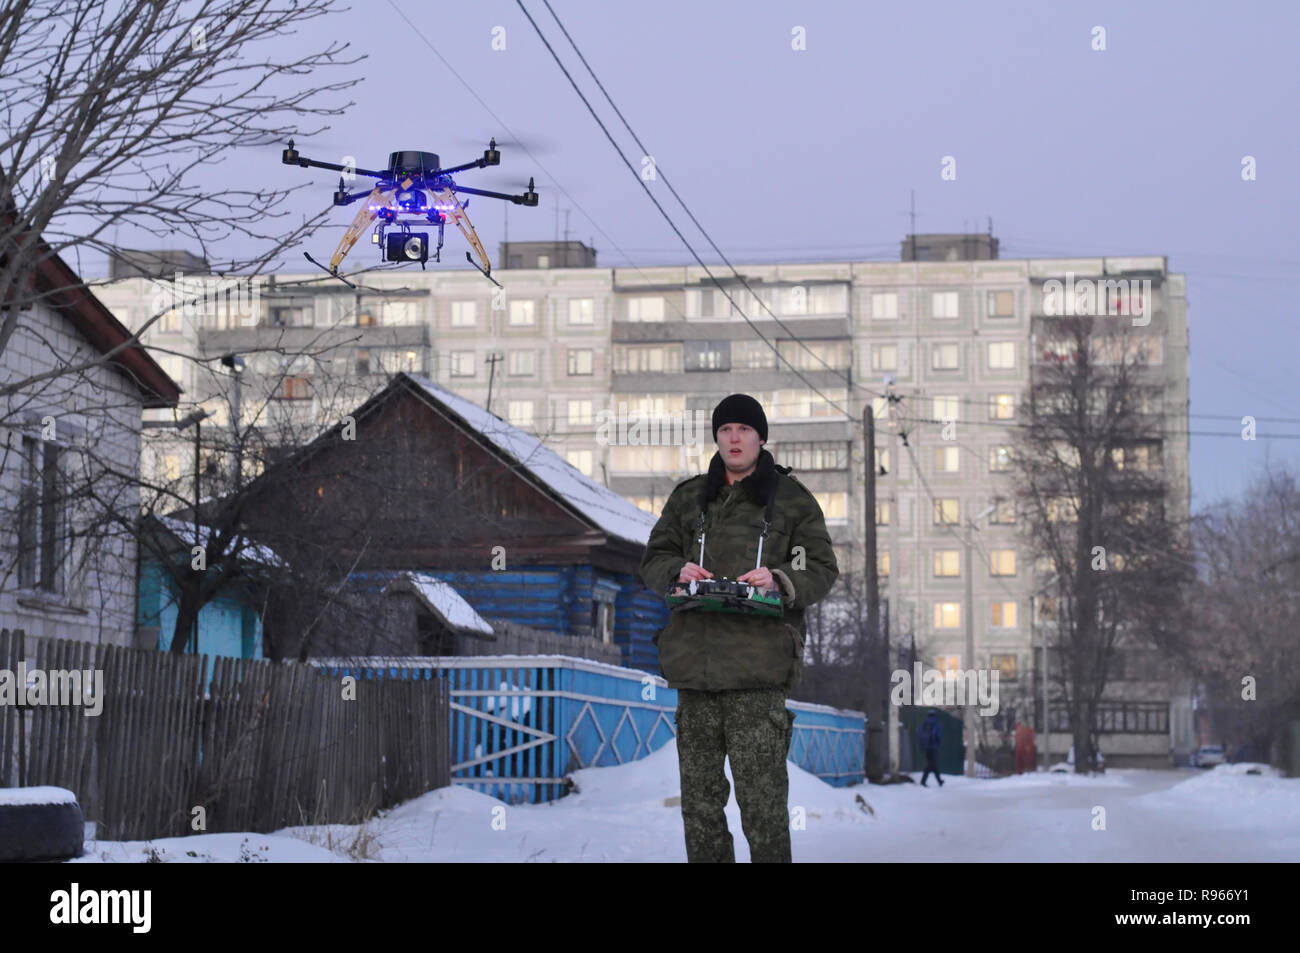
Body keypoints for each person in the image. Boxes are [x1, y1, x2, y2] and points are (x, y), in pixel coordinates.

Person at [639, 394, 839, 863]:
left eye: (744, 430)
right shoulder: (690, 498)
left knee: (763, 808)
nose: (734, 437)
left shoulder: (791, 500)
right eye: (726, 429)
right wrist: (677, 570)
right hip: (697, 672)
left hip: (757, 674)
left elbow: (823, 570)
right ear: (716, 437)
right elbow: (653, 559)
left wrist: (782, 579)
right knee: (701, 808)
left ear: (760, 437)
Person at [919, 708, 944, 787]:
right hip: (933, 747)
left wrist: (922, 745)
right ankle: (923, 781)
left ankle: (939, 781)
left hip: (926, 747)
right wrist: (938, 744)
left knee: (933, 764)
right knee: (930, 765)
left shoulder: (924, 724)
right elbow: (939, 735)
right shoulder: (936, 724)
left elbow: (919, 734)